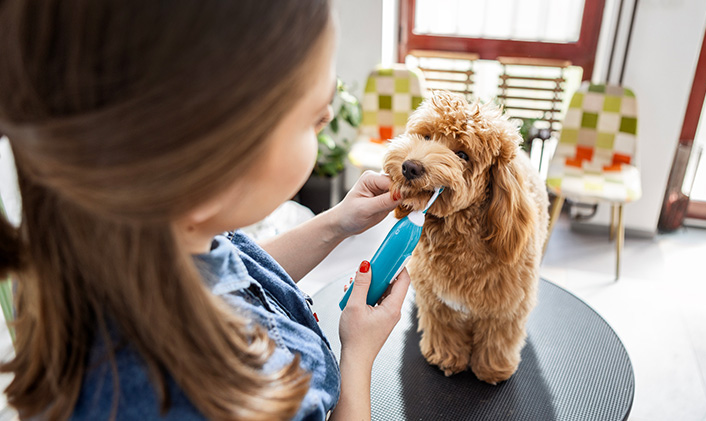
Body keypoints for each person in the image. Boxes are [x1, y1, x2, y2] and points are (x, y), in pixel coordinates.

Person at [0, 0, 411, 419]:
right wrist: (358, 357)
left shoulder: (136, 233)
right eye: (313, 120)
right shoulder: (206, 398)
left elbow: (239, 278)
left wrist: (337, 222)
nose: (327, 120)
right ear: (214, 164)